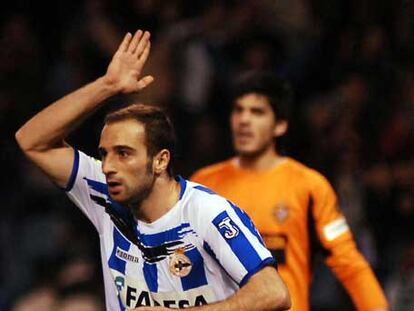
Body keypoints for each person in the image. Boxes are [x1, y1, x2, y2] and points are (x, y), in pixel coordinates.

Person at [15, 30, 290, 311]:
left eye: (123, 154)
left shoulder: (208, 213)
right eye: (104, 154)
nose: (108, 166)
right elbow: (32, 141)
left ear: (160, 161)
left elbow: (274, 293)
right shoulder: (105, 194)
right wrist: (107, 86)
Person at [191, 71, 389, 311]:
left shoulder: (309, 186)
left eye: (257, 112)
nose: (244, 120)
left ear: (281, 125)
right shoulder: (204, 184)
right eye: (238, 110)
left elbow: (348, 261)